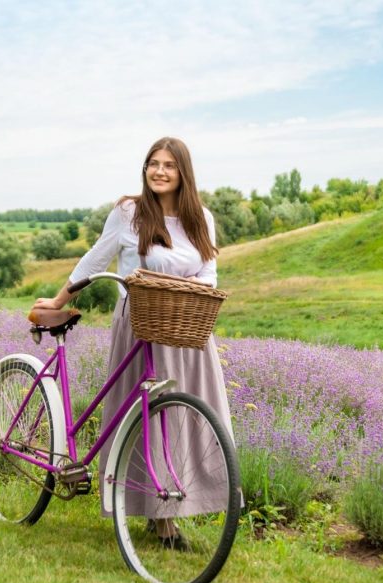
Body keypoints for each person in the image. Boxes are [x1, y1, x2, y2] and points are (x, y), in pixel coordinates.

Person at [32, 136, 235, 546]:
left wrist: (178, 293)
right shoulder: (128, 213)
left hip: (186, 328)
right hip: (141, 322)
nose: (159, 171)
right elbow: (96, 259)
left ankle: (178, 502)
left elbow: (210, 277)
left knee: (186, 417)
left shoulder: (202, 218)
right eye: (153, 163)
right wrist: (58, 299)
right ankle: (161, 519)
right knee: (148, 416)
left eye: (169, 165)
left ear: (183, 174)